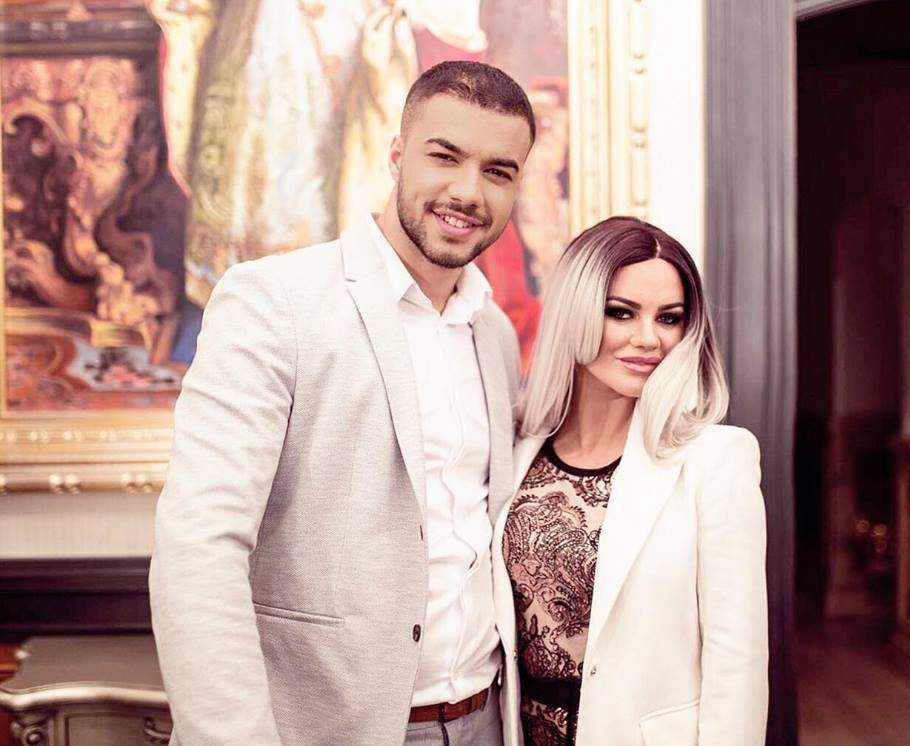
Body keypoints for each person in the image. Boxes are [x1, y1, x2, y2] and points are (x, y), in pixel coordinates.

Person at [149, 61, 535, 745]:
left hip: (484, 721)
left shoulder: (495, 333)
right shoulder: (273, 300)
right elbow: (199, 547)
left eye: (497, 171)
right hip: (324, 729)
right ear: (396, 154)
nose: (467, 191)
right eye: (444, 156)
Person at [492, 216, 769, 745]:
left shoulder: (716, 459)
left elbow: (738, 663)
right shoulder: (517, 448)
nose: (649, 339)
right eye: (621, 312)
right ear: (575, 311)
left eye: (669, 318)